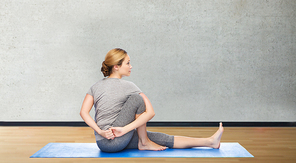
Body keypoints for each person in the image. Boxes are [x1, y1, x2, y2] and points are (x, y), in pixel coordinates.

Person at [80, 48, 224, 153]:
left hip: (103, 143)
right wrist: (124, 129)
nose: (131, 66)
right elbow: (150, 112)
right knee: (137, 99)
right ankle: (144, 142)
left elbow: (83, 113)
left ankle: (210, 142)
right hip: (116, 140)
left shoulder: (95, 86)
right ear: (116, 67)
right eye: (128, 63)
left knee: (160, 138)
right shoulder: (129, 86)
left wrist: (101, 131)